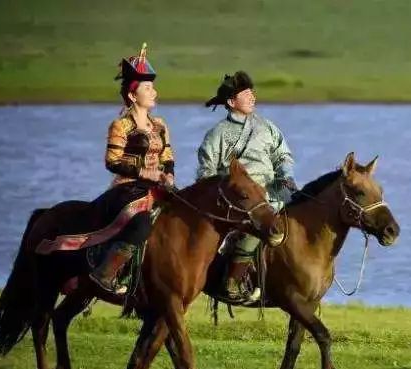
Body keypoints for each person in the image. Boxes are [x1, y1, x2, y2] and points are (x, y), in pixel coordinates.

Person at [196, 71, 296, 300]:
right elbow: (207, 173)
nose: (253, 97)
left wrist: (287, 175)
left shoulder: (267, 126)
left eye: (252, 92)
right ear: (232, 102)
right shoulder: (217, 134)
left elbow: (283, 156)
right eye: (246, 93)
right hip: (241, 198)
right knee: (260, 222)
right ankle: (233, 279)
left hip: (273, 188)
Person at [89, 43, 175, 293]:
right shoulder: (120, 125)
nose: (154, 92)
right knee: (142, 223)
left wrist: (168, 174)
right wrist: (145, 173)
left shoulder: (160, 125)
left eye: (153, 87)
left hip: (158, 187)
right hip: (126, 189)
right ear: (132, 95)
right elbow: (112, 161)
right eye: (148, 88)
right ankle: (106, 273)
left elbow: (168, 155)